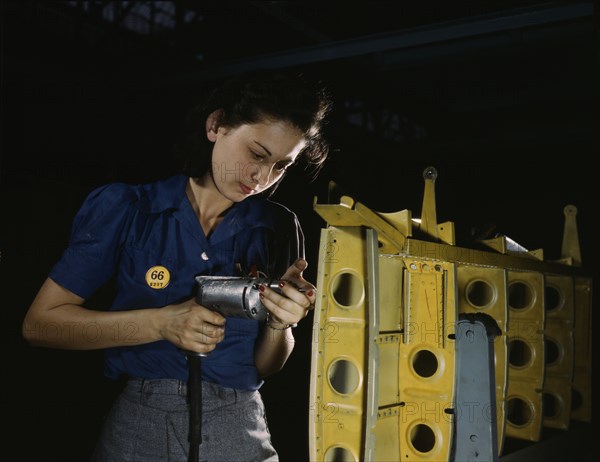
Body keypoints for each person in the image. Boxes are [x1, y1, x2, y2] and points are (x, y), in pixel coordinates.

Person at [22, 69, 332, 462]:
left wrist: (280, 324)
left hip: (239, 422)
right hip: (140, 420)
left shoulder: (278, 227)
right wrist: (161, 323)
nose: (261, 177)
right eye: (256, 154)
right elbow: (41, 325)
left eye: (281, 166)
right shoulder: (129, 209)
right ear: (215, 126)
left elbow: (268, 365)